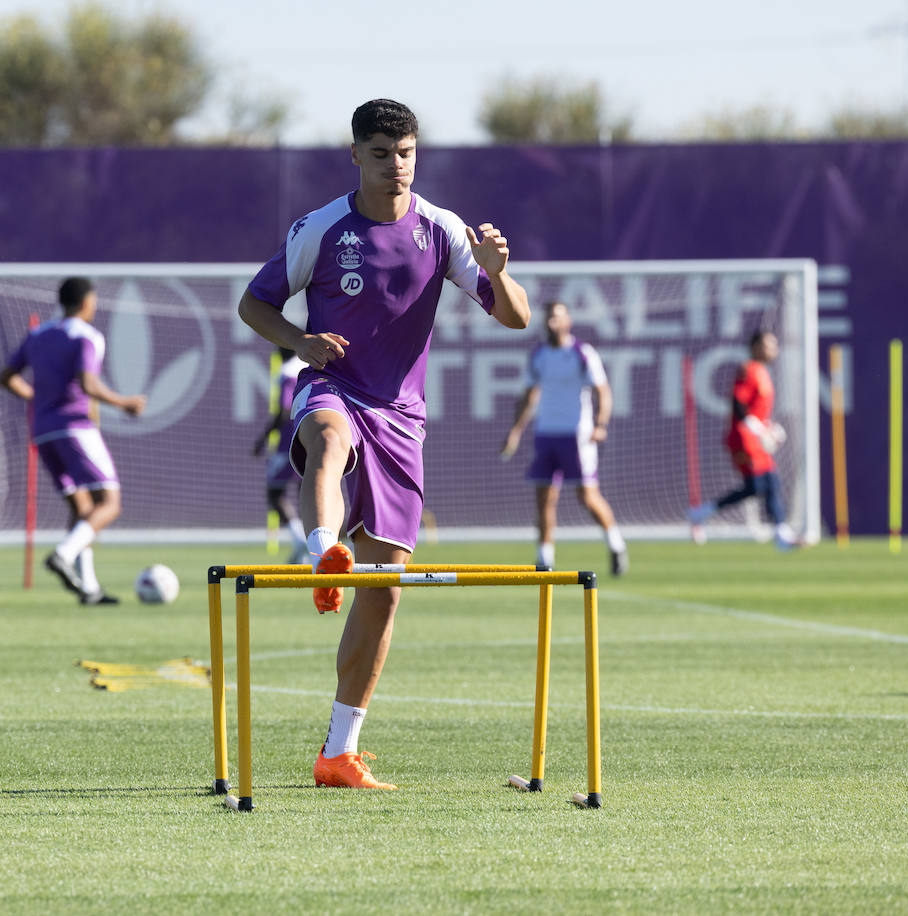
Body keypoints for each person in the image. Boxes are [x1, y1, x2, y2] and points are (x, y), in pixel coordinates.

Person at [238, 99, 530, 791]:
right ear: (355, 156)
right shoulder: (320, 228)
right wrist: (299, 341)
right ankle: (321, 552)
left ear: (416, 154)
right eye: (379, 153)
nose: (394, 166)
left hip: (402, 418)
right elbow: (255, 305)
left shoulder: (444, 230)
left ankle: (339, 753)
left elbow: (514, 318)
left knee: (386, 593)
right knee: (330, 437)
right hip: (331, 384)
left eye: (405, 153)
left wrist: (498, 268)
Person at [0, 276, 146, 605]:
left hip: (44, 431)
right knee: (109, 503)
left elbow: (5, 377)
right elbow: (88, 384)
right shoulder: (87, 336)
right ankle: (63, 555)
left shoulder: (39, 334)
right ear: (86, 302)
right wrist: (126, 403)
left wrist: (34, 397)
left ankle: (89, 589)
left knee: (82, 508)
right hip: (75, 428)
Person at [499, 300, 628, 575]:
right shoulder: (539, 355)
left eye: (557, 318)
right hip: (546, 434)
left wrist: (600, 424)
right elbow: (529, 394)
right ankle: (545, 561)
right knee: (544, 498)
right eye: (548, 318)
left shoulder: (583, 353)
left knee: (587, 497)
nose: (551, 323)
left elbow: (602, 391)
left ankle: (616, 545)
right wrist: (516, 431)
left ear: (568, 321)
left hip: (576, 435)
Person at [688, 329, 796, 550]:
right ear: (756, 347)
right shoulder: (749, 370)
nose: (773, 349)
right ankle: (702, 513)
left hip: (756, 439)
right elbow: (737, 405)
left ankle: (782, 535)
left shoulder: (763, 372)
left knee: (770, 483)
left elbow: (757, 410)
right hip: (744, 440)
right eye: (769, 344)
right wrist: (758, 430)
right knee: (757, 486)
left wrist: (768, 428)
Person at [251, 346, 310, 565]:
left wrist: (263, 439)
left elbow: (285, 409)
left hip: (288, 442)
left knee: (275, 492)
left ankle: (300, 542)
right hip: (308, 438)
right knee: (306, 493)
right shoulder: (308, 367)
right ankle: (311, 546)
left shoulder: (287, 371)